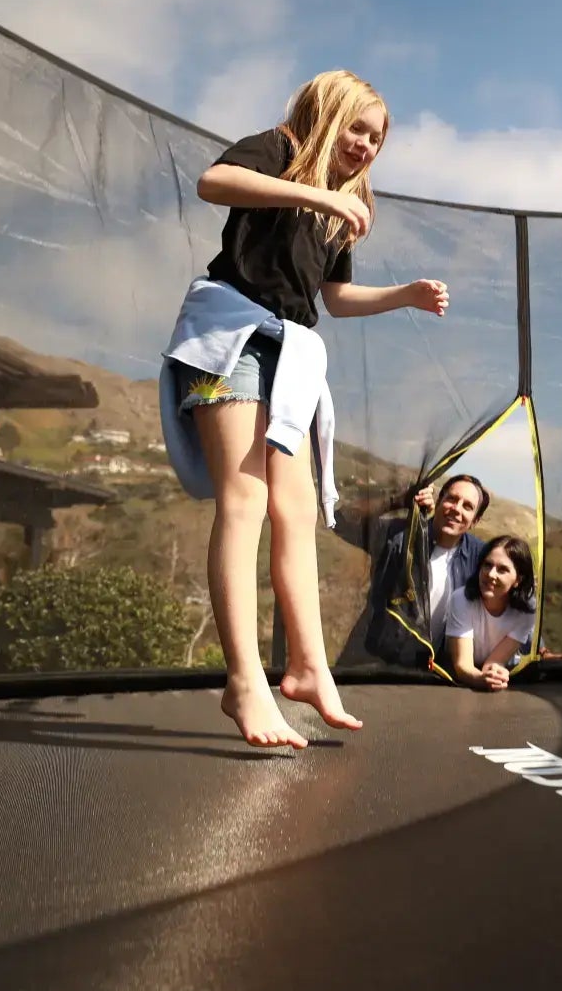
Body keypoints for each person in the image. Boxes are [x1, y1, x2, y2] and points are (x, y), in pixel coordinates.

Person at [159, 70, 450, 749]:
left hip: (289, 352)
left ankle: (309, 667)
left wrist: (403, 294)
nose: (366, 145)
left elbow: (335, 297)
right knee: (245, 501)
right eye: (357, 128)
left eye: (377, 137)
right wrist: (314, 189)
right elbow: (214, 182)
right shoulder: (280, 148)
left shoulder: (342, 205)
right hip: (226, 336)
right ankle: (242, 681)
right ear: (326, 114)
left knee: (297, 511)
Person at [340, 474, 491, 670]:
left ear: (475, 521)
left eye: (467, 506)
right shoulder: (400, 535)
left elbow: (508, 597)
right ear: (439, 501)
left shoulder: (480, 557)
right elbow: (341, 521)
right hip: (370, 664)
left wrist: (537, 648)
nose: (456, 509)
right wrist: (399, 500)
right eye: (452, 499)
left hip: (430, 675)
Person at [442, 535, 538, 690]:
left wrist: (494, 676)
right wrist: (481, 680)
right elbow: (462, 665)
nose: (491, 574)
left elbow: (494, 663)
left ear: (518, 580)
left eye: (502, 569)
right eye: (487, 565)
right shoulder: (461, 599)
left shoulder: (527, 609)